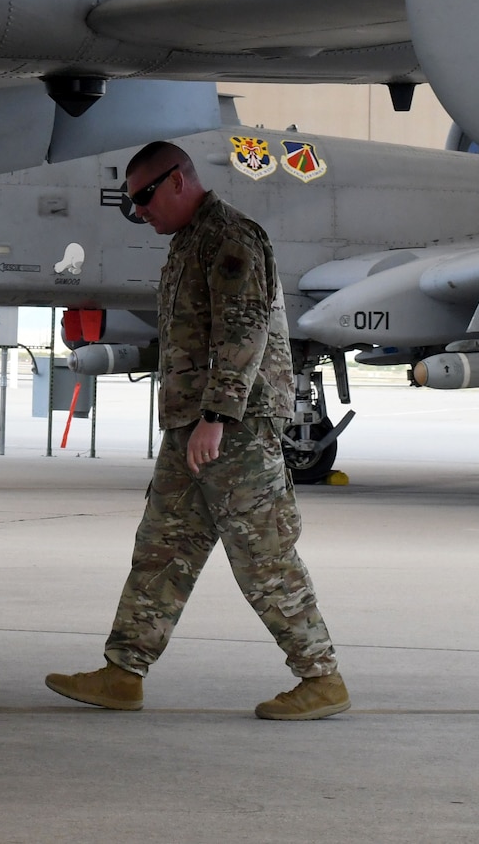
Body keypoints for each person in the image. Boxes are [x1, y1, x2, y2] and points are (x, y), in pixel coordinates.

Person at [45, 140, 348, 719]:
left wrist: (217, 417)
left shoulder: (231, 238)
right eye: (131, 202)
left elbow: (244, 331)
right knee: (161, 548)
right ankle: (123, 671)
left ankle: (320, 677)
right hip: (194, 425)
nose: (140, 211)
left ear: (179, 180)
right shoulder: (189, 243)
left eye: (145, 198)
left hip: (232, 427)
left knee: (263, 554)